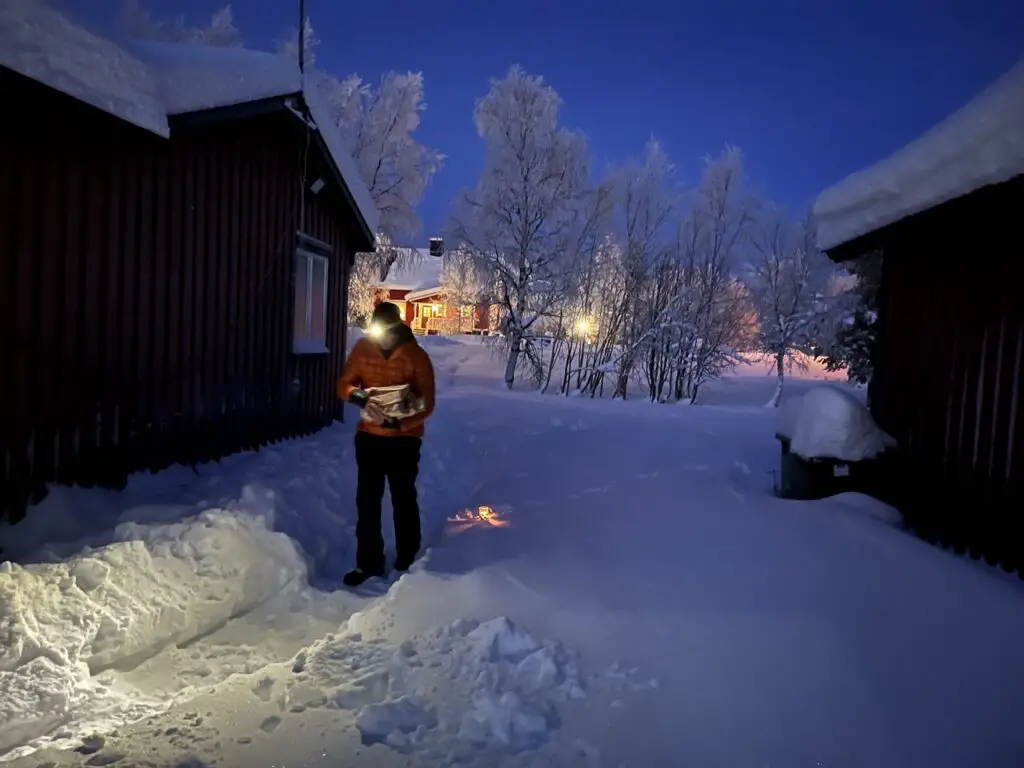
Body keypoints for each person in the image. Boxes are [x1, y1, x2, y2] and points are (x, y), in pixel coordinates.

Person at [336, 302, 436, 587]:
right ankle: (368, 563)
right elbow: (343, 385)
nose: (380, 336)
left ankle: (407, 557)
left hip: (404, 441)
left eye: (386, 331)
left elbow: (428, 402)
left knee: (402, 498)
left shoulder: (416, 357)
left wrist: (400, 421)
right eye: (376, 330)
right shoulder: (362, 350)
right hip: (369, 438)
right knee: (367, 501)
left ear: (397, 327)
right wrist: (360, 397)